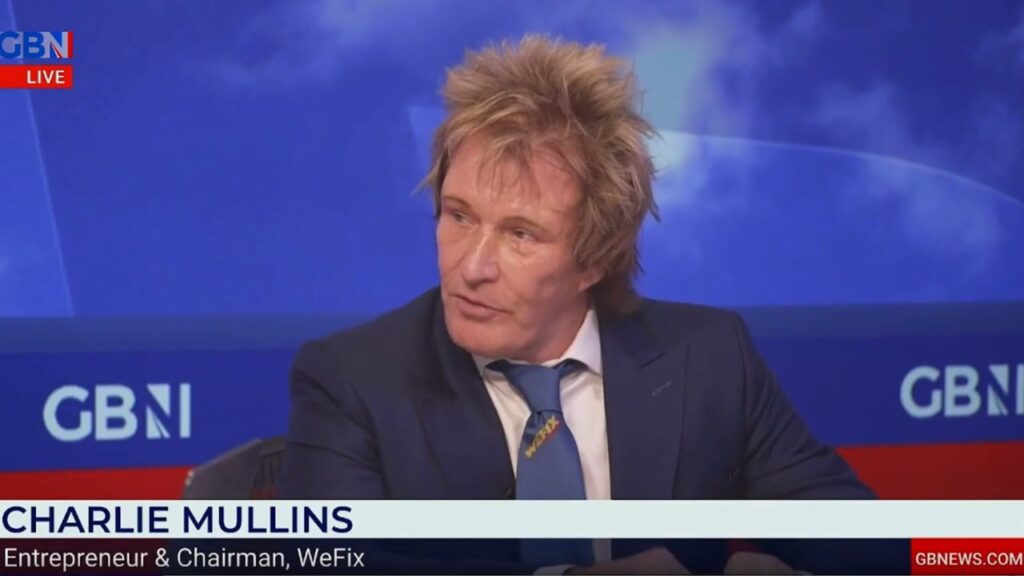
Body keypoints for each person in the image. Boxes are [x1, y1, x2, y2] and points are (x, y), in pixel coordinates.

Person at [280, 35, 905, 574]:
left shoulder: (710, 358)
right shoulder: (352, 381)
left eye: (521, 234)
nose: (471, 266)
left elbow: (872, 547)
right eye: (459, 216)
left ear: (595, 257)